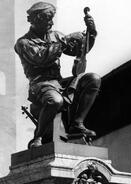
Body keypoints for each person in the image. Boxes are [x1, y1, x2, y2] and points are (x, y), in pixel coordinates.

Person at [15, 2, 101, 148]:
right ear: (37, 19)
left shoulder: (55, 35)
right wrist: (65, 41)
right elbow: (41, 58)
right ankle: (38, 137)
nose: (51, 22)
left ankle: (77, 124)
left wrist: (91, 33)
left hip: (58, 82)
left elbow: (78, 50)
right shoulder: (23, 43)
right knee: (55, 101)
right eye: (48, 19)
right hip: (40, 84)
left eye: (52, 18)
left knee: (93, 79)